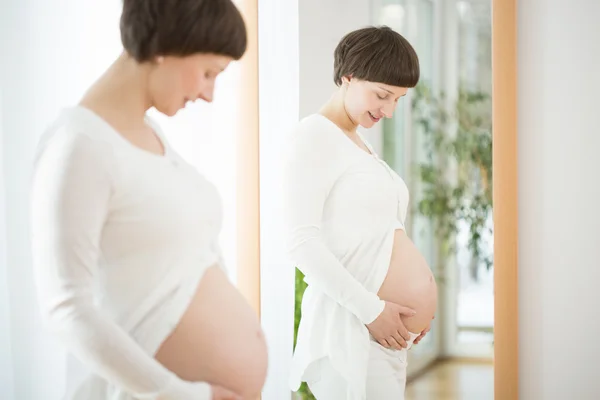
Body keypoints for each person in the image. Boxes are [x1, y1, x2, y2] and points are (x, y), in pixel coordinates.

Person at [29, 1, 268, 399]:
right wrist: (184, 394)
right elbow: (66, 308)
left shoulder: (149, 133)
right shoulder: (78, 146)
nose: (209, 94)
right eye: (209, 73)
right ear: (165, 46)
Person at [283, 26, 438, 399]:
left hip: (381, 333)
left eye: (398, 99)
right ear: (348, 76)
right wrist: (373, 311)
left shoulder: (358, 143)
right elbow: (300, 242)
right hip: (355, 330)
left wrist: (411, 311)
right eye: (383, 95)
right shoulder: (313, 136)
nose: (389, 110)